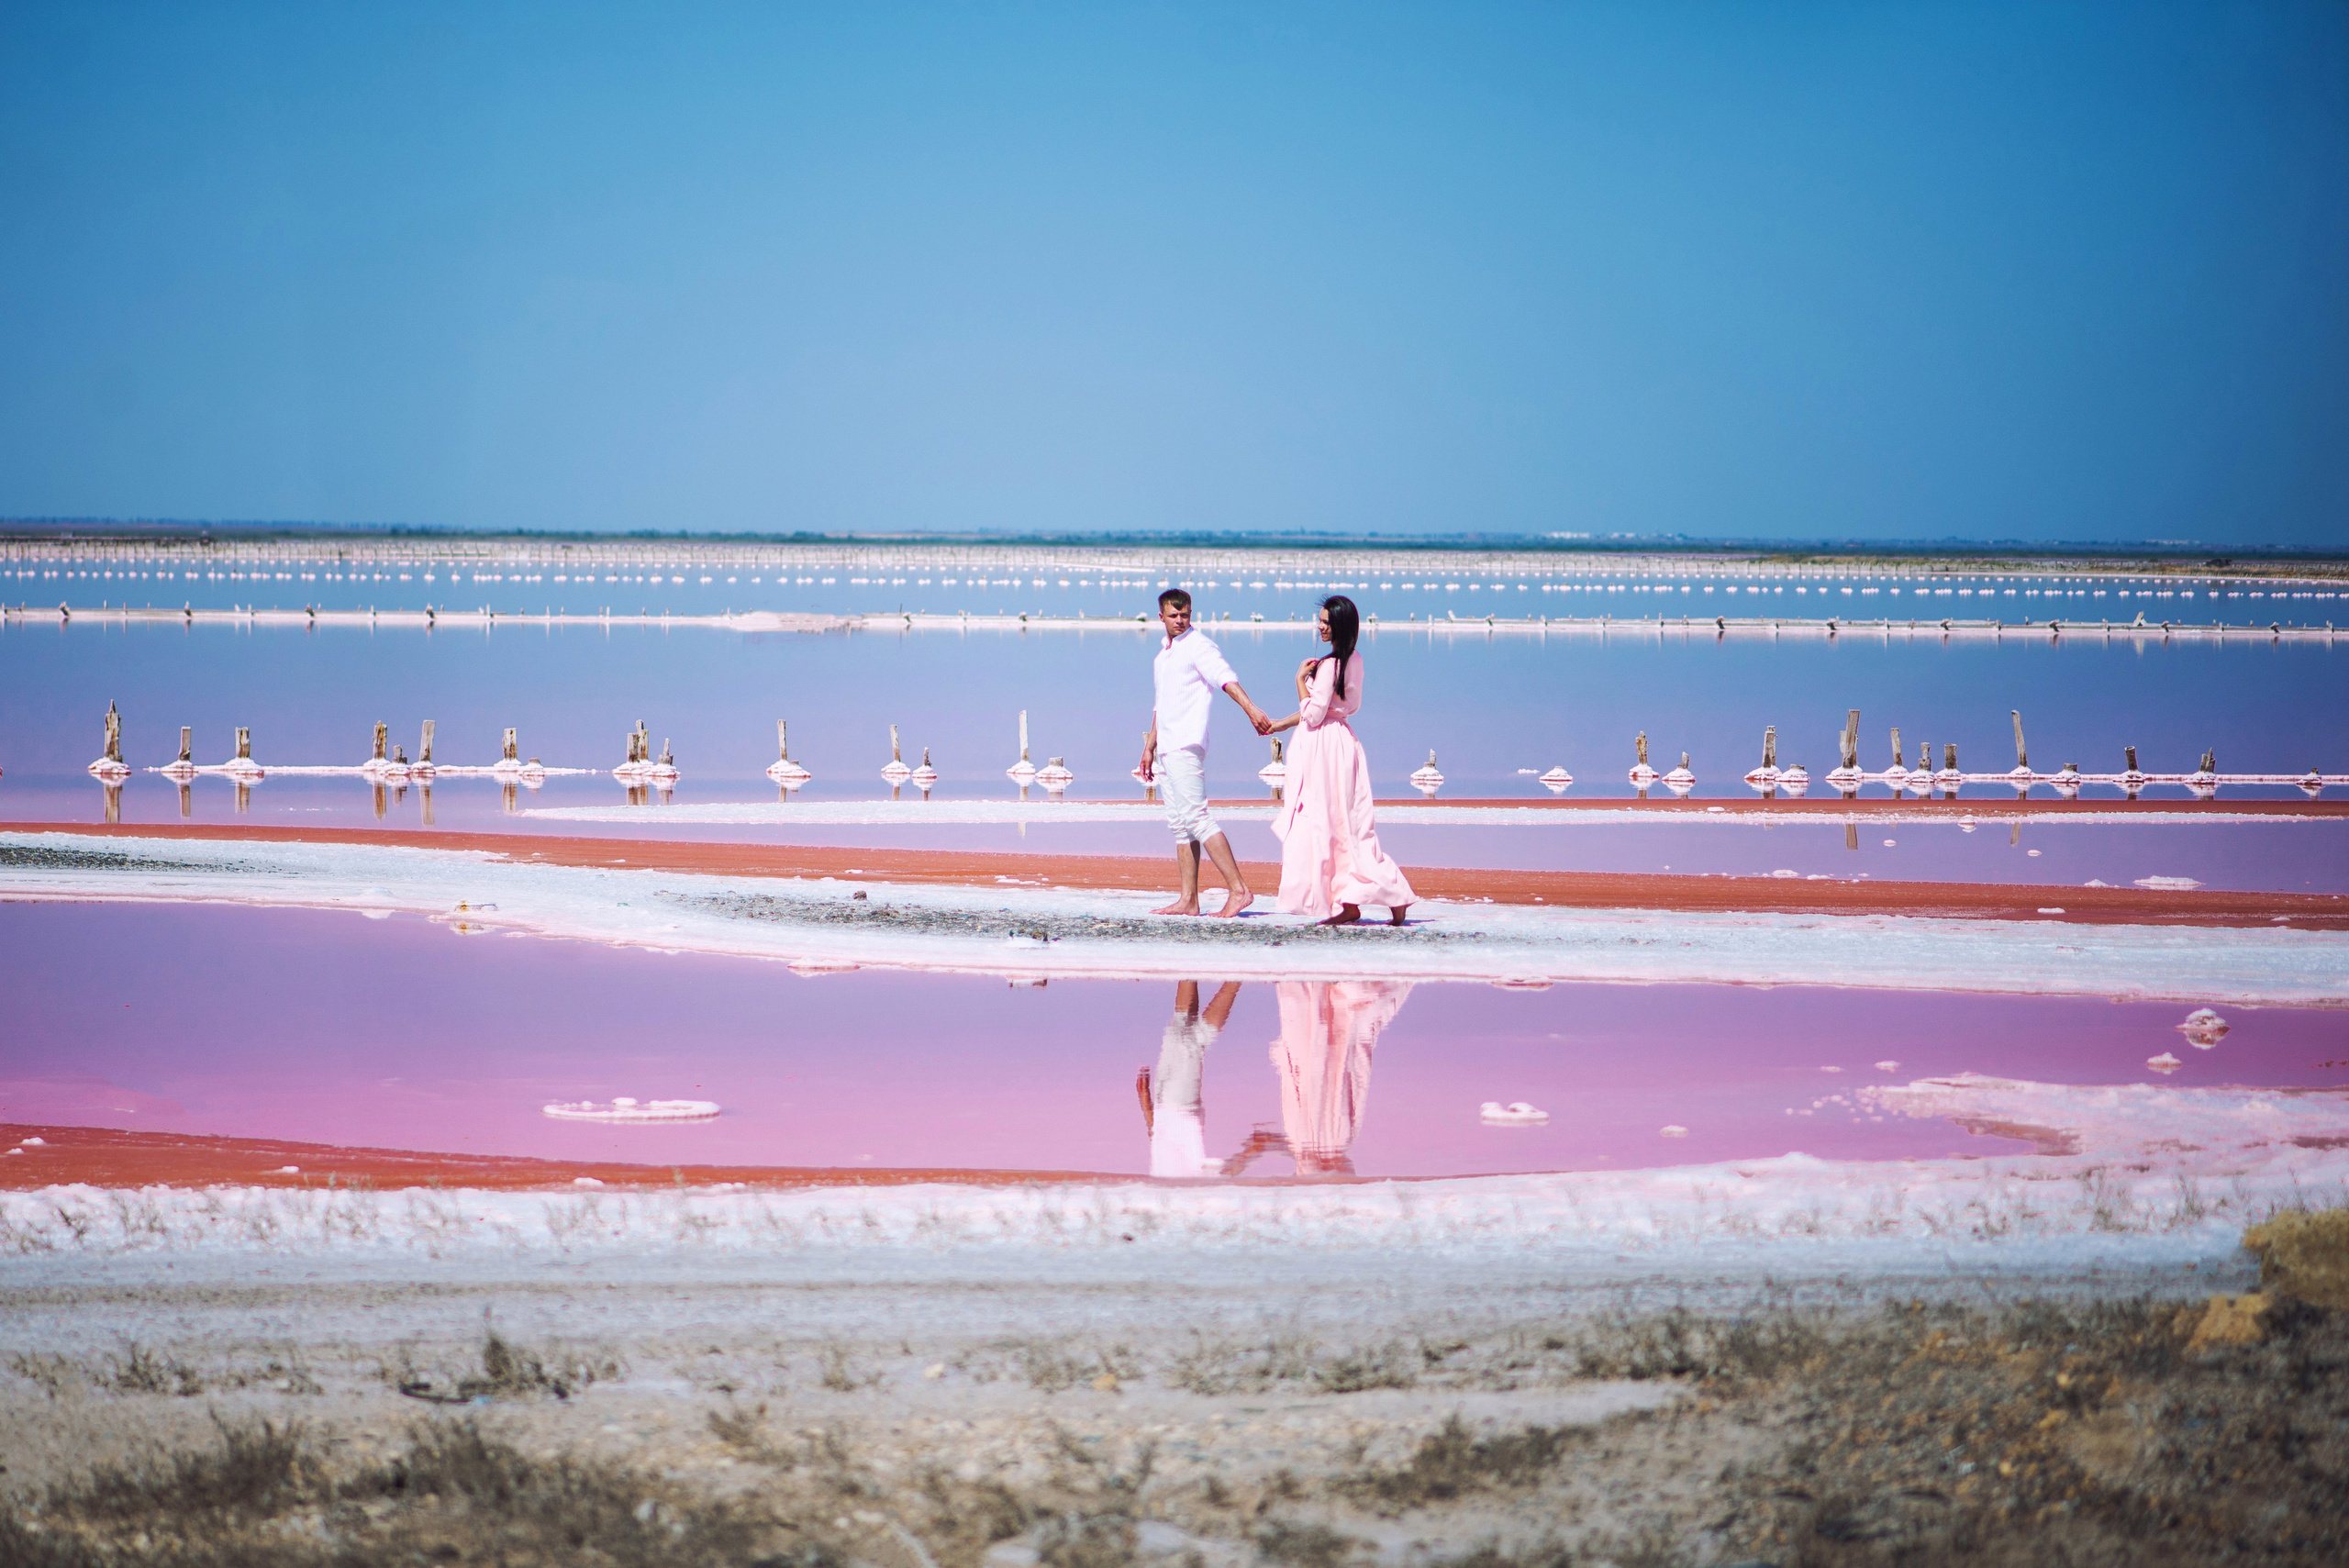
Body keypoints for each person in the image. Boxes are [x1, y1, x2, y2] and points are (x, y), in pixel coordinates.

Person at [1264, 595, 1416, 924]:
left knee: (1325, 823)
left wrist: (1298, 683)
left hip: (1323, 751)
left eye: (1326, 622)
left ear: (1340, 626)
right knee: (1350, 825)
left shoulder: (1330, 666)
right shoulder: (1354, 660)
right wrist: (1280, 723)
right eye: (1320, 620)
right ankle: (1364, 900)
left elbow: (1315, 714)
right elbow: (1331, 709)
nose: (1319, 626)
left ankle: (1355, 900)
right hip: (1342, 743)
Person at [1139, 588, 1274, 916]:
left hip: (1187, 742)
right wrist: (1149, 746)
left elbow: (1224, 678)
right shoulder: (1163, 657)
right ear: (1161, 617)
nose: (1180, 621)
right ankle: (1189, 900)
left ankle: (1239, 890)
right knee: (1180, 823)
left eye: (1185, 614)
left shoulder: (1199, 646)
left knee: (1197, 817)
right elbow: (1162, 704)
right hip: (1167, 747)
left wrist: (1251, 710)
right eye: (1173, 615)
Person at [1135, 980, 1240, 1178]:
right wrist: (1252, 1150)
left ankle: (1189, 962)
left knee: (1180, 1028)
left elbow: (1156, 1138)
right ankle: (1238, 975)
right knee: (1193, 1041)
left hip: (1163, 1104)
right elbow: (1223, 1172)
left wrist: (1146, 1102)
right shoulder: (1190, 1184)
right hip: (1181, 1108)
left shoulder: (1160, 1181)